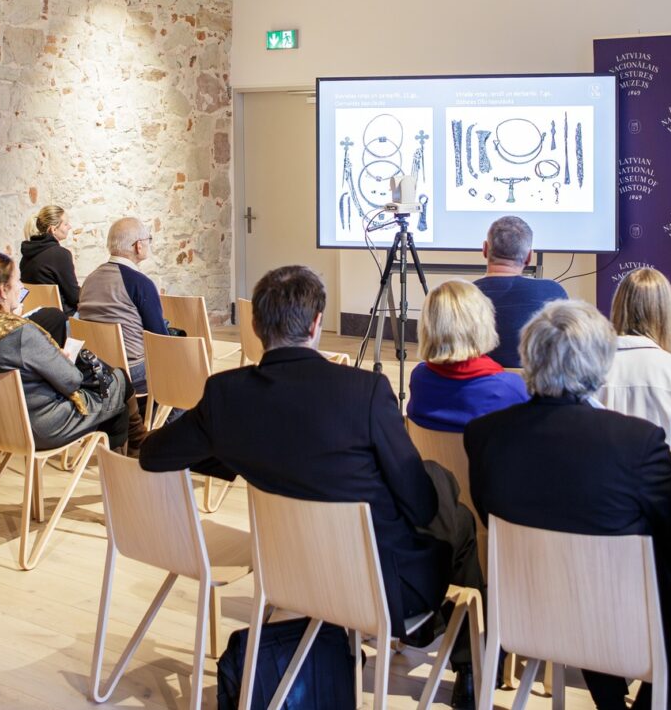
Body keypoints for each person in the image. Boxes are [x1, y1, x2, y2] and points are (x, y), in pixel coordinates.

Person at [139, 266, 481, 695]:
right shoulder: (367, 392)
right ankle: (471, 664)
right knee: (455, 515)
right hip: (382, 592)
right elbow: (421, 507)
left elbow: (153, 455)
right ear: (318, 323)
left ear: (255, 325)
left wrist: (237, 454)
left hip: (289, 581)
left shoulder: (226, 394)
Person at [466, 300, 671, 710]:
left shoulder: (486, 435)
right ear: (599, 364)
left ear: (527, 358)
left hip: (528, 610)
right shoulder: (636, 442)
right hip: (623, 621)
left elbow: (488, 516)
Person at [0, 252, 128, 452]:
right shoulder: (20, 333)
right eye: (18, 281)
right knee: (119, 382)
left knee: (111, 396)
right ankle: (125, 461)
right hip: (39, 428)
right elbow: (71, 380)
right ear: (2, 291)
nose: (21, 286)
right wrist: (59, 359)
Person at [600, 268, 671, 496]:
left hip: (603, 507)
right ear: (665, 313)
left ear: (618, 306)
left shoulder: (590, 368)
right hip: (662, 509)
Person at [77, 217, 168, 452]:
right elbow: (159, 338)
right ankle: (166, 444)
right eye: (148, 240)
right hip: (132, 371)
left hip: (95, 368)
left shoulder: (90, 279)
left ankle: (140, 433)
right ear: (138, 246)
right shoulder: (140, 283)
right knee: (185, 376)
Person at [406, 280, 527, 433]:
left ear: (426, 326)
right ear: (483, 323)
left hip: (431, 457)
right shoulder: (510, 388)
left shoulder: (420, 377)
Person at [473, 216, 567, 369]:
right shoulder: (553, 293)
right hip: (535, 389)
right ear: (529, 257)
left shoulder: (462, 297)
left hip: (477, 388)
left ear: (484, 249)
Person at [20, 205, 80, 315]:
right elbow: (74, 297)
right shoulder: (60, 255)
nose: (69, 227)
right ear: (53, 229)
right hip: (62, 318)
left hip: (35, 316)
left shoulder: (26, 255)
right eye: (66, 224)